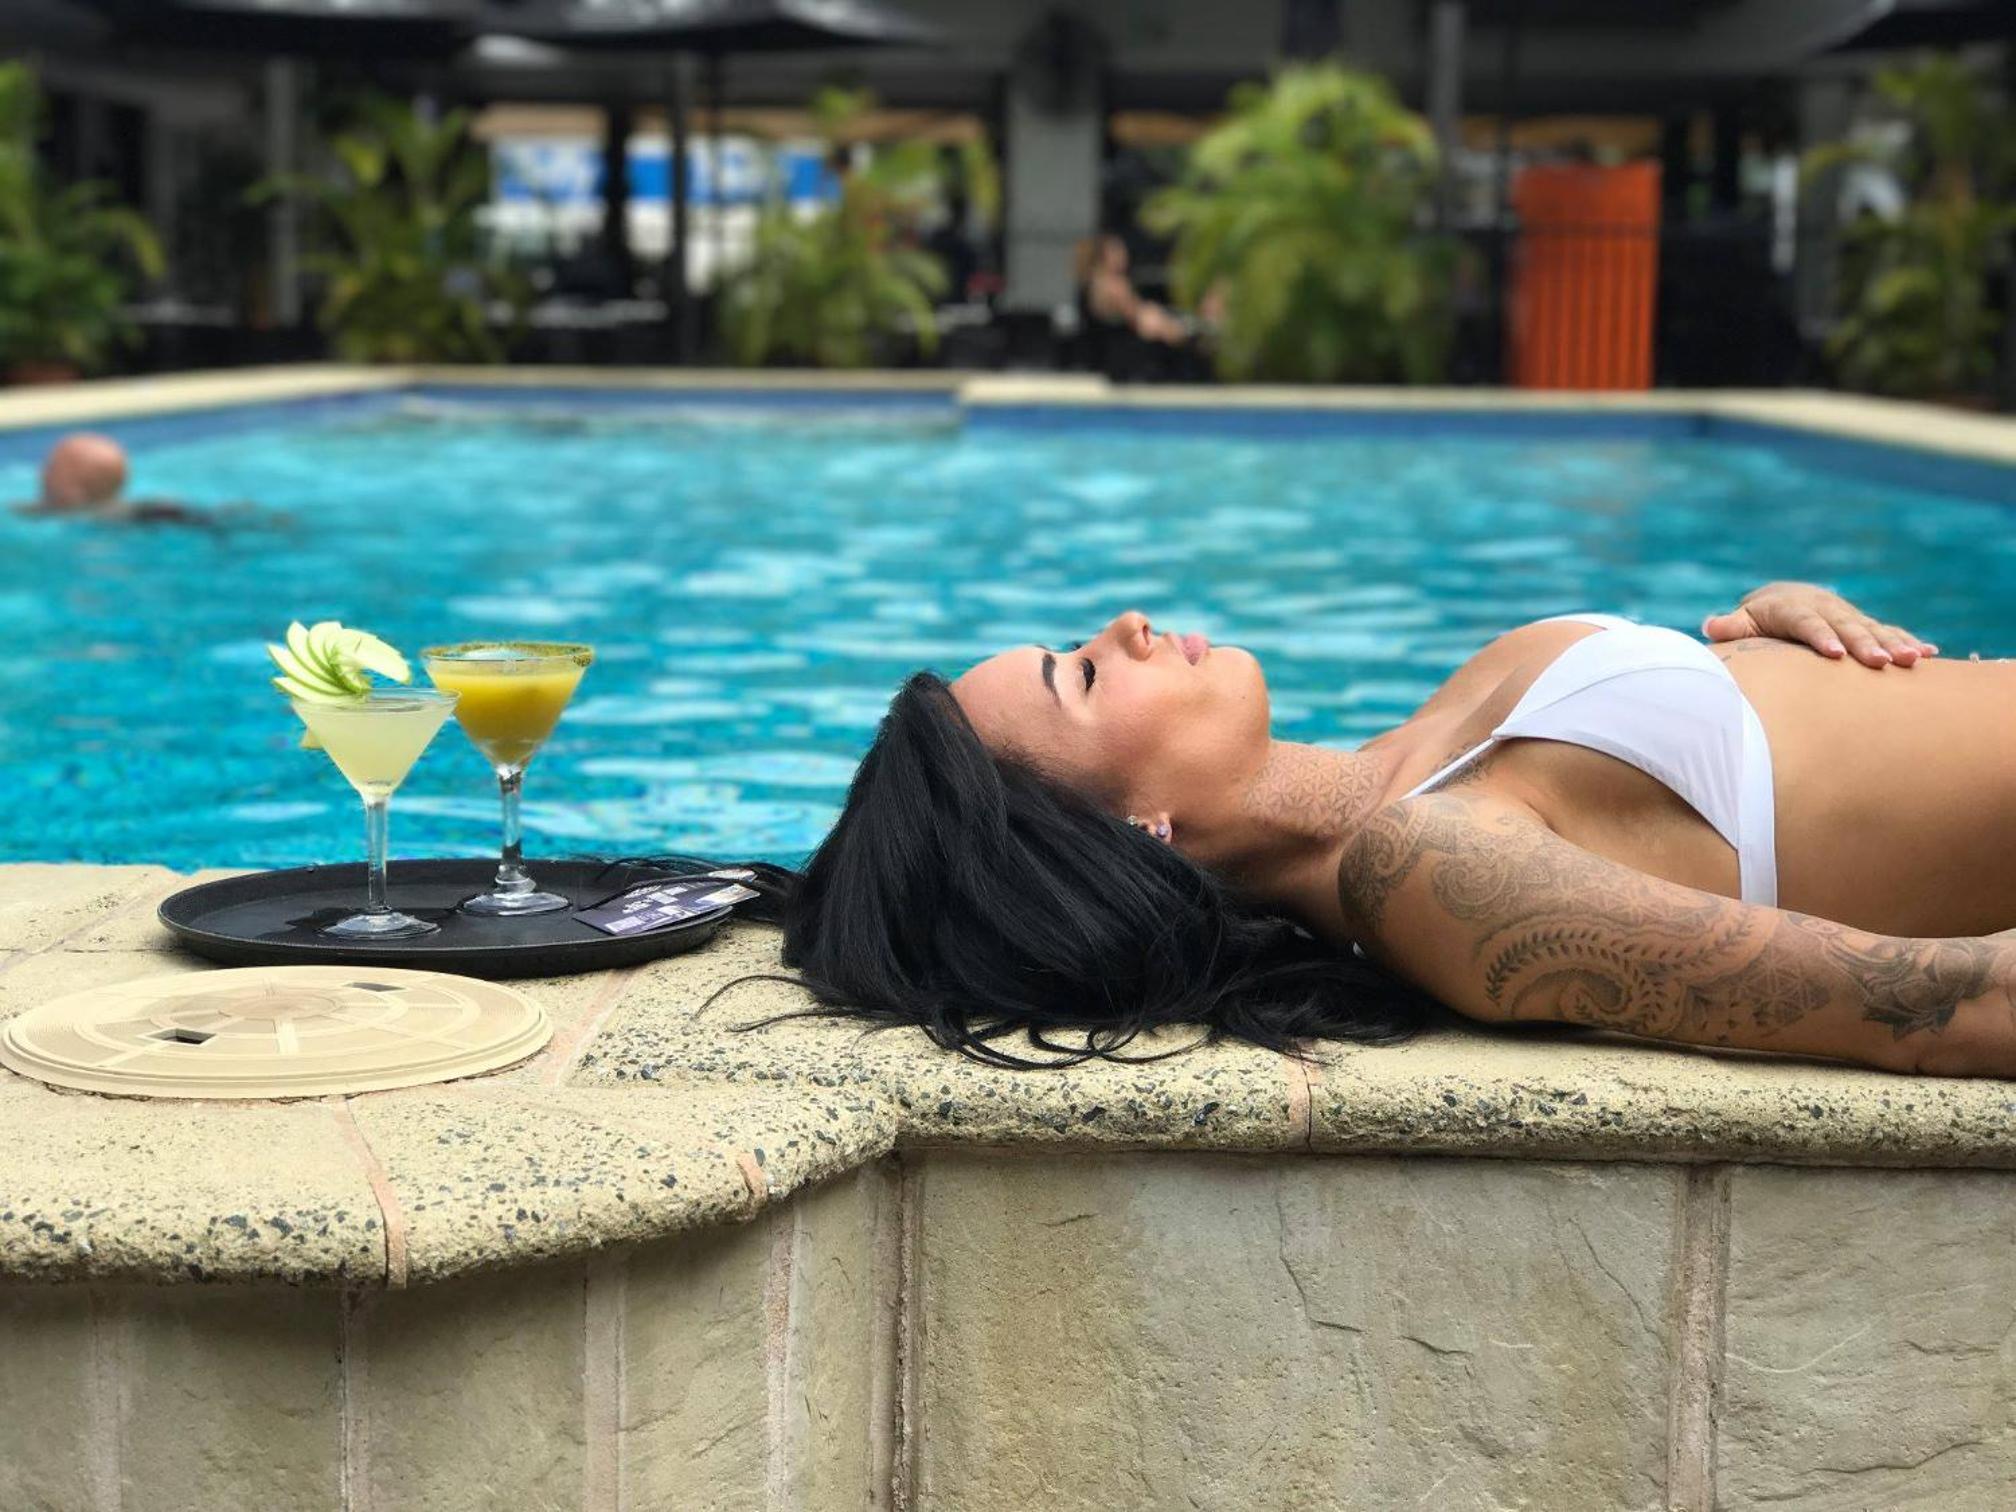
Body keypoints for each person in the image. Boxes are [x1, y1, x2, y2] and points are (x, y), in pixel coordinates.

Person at [762, 581, 2016, 1079]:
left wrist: (1781, 635)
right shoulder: (1427, 869)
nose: (1129, 624)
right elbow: (1939, 1007)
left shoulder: (1404, 758)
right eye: (1084, 676)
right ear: (1142, 836)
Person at [14, 433, 218, 526]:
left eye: (51, 468)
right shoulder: (151, 512)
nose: (42, 474)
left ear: (74, 489)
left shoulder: (147, 516)